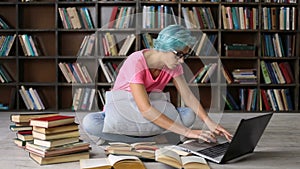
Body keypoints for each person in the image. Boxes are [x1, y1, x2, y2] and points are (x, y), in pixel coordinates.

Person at [82, 24, 232, 144]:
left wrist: (208, 121)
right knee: (90, 123)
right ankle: (156, 138)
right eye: (179, 54)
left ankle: (131, 137)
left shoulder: (174, 65)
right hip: (127, 113)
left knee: (188, 115)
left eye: (185, 55)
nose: (182, 61)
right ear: (165, 47)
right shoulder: (136, 61)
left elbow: (188, 96)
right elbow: (145, 109)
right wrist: (187, 132)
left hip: (152, 111)